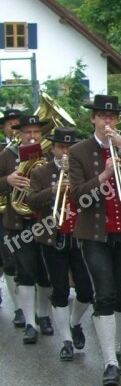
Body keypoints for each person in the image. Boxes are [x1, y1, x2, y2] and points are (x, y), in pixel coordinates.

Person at [69, 94, 121, 386]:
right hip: (94, 235)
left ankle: (116, 350)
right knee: (103, 294)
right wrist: (103, 175)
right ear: (92, 118)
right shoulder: (78, 151)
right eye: (103, 117)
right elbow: (78, 195)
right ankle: (109, 362)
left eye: (113, 117)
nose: (108, 122)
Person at [27, 127, 93, 361]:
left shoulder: (82, 169)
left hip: (80, 234)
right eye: (61, 147)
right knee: (60, 290)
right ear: (53, 148)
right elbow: (31, 201)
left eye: (69, 147)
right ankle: (65, 340)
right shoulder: (41, 171)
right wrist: (54, 189)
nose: (65, 152)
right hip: (52, 236)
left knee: (86, 290)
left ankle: (75, 323)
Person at [0, 113, 55, 344]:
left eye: (36, 132)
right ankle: (30, 323)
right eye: (28, 132)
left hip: (45, 220)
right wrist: (8, 181)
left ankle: (43, 315)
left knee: (45, 273)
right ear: (19, 134)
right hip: (18, 221)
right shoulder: (6, 155)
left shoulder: (50, 154)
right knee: (25, 272)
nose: (32, 136)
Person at [0, 108, 25, 326]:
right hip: (5, 215)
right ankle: (18, 308)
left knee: (29, 264)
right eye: (10, 124)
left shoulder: (34, 150)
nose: (14, 128)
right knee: (8, 261)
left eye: (18, 124)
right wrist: (7, 180)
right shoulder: (3, 152)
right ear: (4, 128)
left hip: (29, 215)